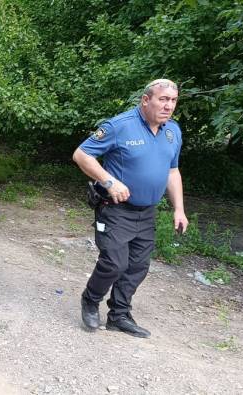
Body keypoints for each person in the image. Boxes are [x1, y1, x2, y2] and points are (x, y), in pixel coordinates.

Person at [73, 79, 188, 338]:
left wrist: (178, 209)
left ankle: (119, 315)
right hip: (115, 209)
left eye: (173, 101)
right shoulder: (120, 126)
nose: (168, 106)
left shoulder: (173, 131)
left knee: (137, 266)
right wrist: (109, 181)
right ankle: (90, 300)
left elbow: (173, 171)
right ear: (146, 100)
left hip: (147, 212)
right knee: (114, 263)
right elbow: (82, 155)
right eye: (163, 99)